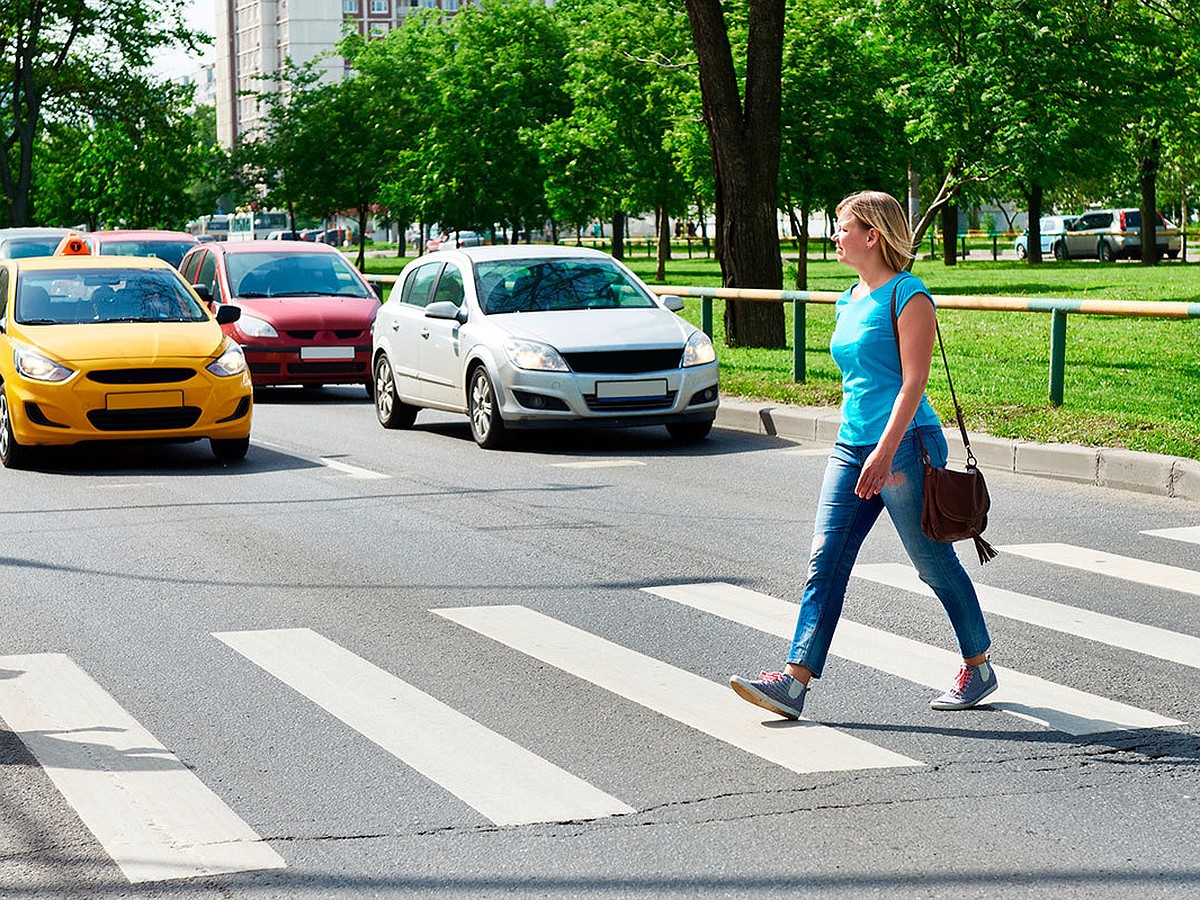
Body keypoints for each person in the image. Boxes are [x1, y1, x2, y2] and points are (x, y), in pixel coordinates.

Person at [729, 190, 996, 719]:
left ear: (872, 235)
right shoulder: (847, 298)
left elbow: (913, 383)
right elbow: (860, 380)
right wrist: (863, 447)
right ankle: (794, 680)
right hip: (852, 446)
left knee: (933, 563)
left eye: (842, 226)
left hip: (904, 446)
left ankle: (978, 665)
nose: (834, 235)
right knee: (825, 559)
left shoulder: (909, 295)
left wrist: (886, 450)